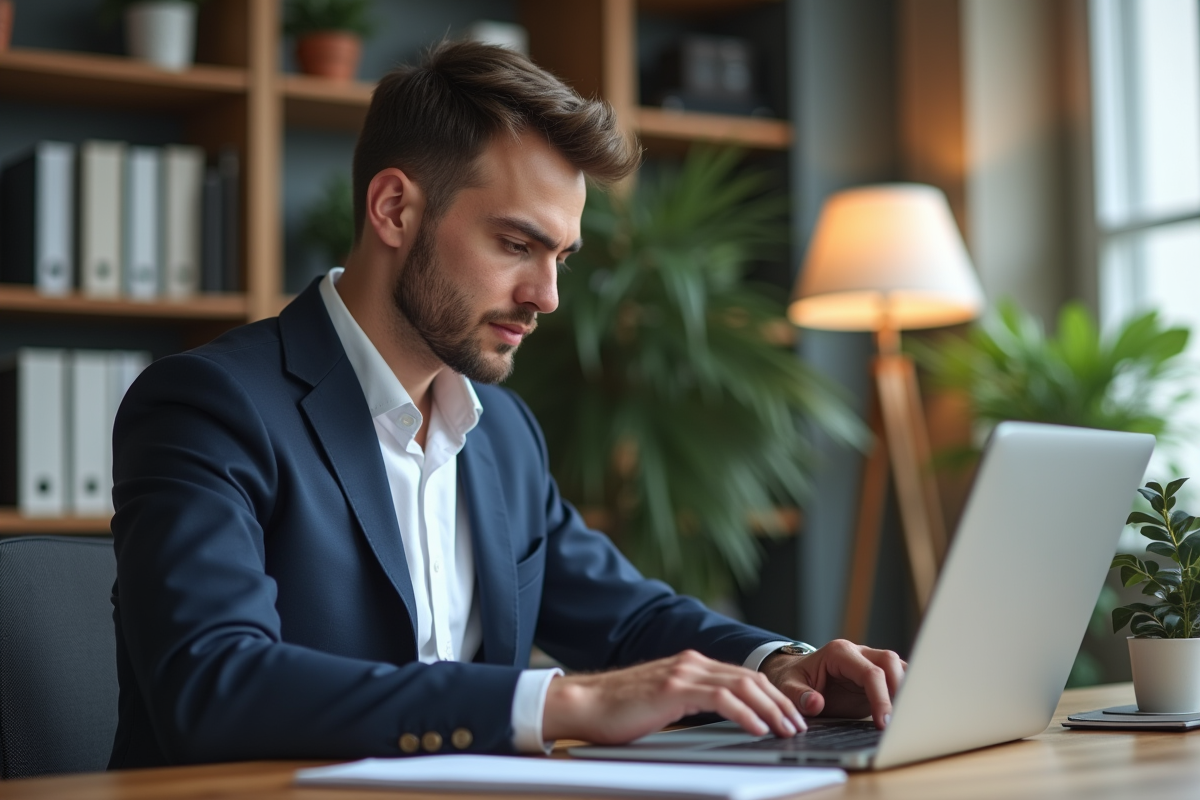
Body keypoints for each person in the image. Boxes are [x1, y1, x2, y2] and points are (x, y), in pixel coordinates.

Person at [108, 40, 905, 769]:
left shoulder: (503, 434)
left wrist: (781, 665)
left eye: (561, 257)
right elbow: (213, 684)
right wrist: (562, 703)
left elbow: (627, 620)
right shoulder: (212, 406)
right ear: (393, 209)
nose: (547, 296)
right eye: (517, 245)